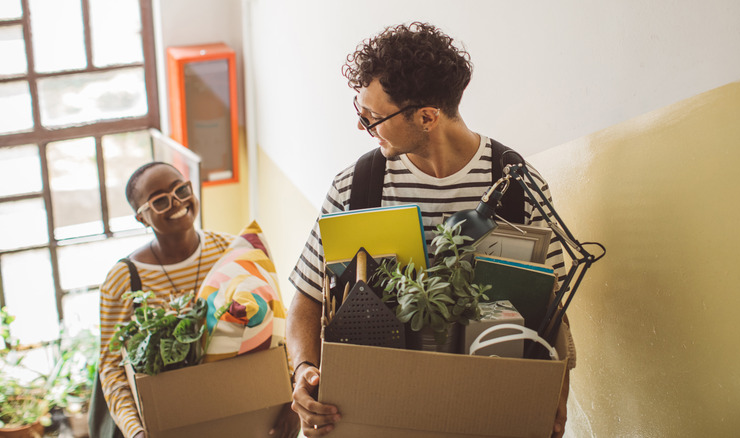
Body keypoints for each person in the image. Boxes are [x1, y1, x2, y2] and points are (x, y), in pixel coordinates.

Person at [287, 22, 572, 437]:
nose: (362, 127)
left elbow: (554, 310)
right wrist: (304, 371)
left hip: (485, 414)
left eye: (372, 118)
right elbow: (307, 298)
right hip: (380, 415)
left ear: (426, 116)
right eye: (359, 112)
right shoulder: (356, 185)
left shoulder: (517, 186)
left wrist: (554, 394)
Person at [97, 162, 299, 438]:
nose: (177, 202)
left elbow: (278, 321)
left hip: (242, 412)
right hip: (171, 423)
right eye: (159, 200)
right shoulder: (123, 280)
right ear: (141, 218)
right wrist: (136, 432)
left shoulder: (230, 250)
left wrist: (292, 398)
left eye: (181, 189)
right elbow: (111, 367)